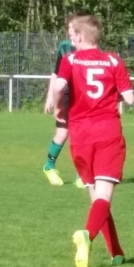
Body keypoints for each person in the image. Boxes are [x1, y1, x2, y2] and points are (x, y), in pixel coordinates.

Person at [44, 14, 134, 267]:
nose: (70, 38)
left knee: (97, 199)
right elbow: (130, 98)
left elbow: (59, 87)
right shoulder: (113, 60)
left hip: (80, 136)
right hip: (108, 133)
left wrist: (59, 108)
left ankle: (116, 252)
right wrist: (112, 93)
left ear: (80, 36)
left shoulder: (70, 60)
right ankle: (87, 234)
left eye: (72, 34)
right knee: (104, 197)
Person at [42, 13, 84, 188]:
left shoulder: (88, 47)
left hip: (82, 98)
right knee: (62, 133)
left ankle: (80, 174)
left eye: (73, 28)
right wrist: (50, 96)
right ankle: (49, 166)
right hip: (66, 96)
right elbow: (56, 73)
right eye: (69, 28)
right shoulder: (64, 47)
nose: (70, 31)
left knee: (80, 134)